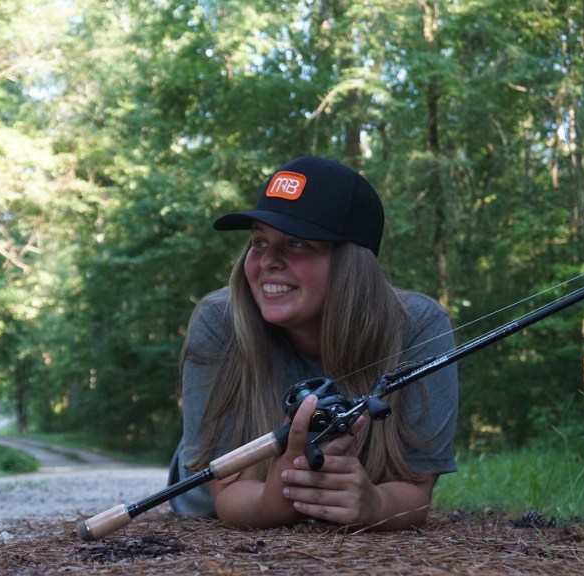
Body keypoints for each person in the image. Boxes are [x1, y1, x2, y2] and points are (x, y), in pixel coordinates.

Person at [167, 156, 458, 531]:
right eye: (258, 242)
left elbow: (415, 491)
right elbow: (228, 493)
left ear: (350, 265)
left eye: (296, 243)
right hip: (215, 503)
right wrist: (280, 494)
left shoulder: (420, 326)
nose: (268, 261)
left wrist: (374, 505)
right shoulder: (218, 320)